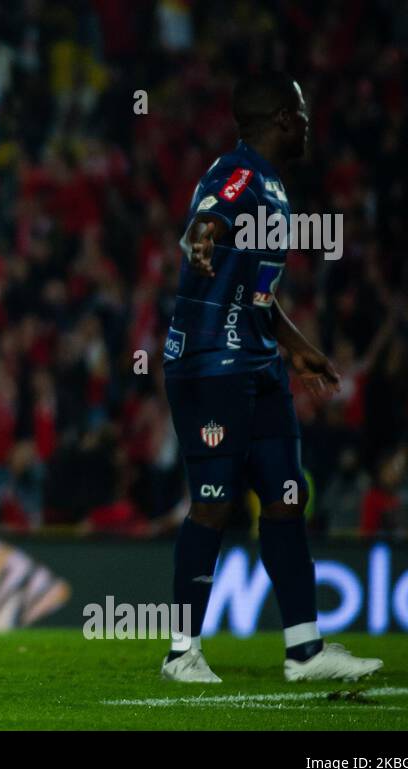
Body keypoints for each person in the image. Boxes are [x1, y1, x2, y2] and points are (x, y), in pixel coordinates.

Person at [160, 71, 381, 683]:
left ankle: (304, 650)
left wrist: (299, 347)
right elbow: (209, 219)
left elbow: (256, 293)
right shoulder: (238, 175)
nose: (309, 122)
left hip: (258, 361)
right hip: (209, 364)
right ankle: (181, 653)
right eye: (303, 111)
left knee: (287, 496)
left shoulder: (274, 187)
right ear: (283, 118)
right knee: (214, 501)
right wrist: (203, 238)